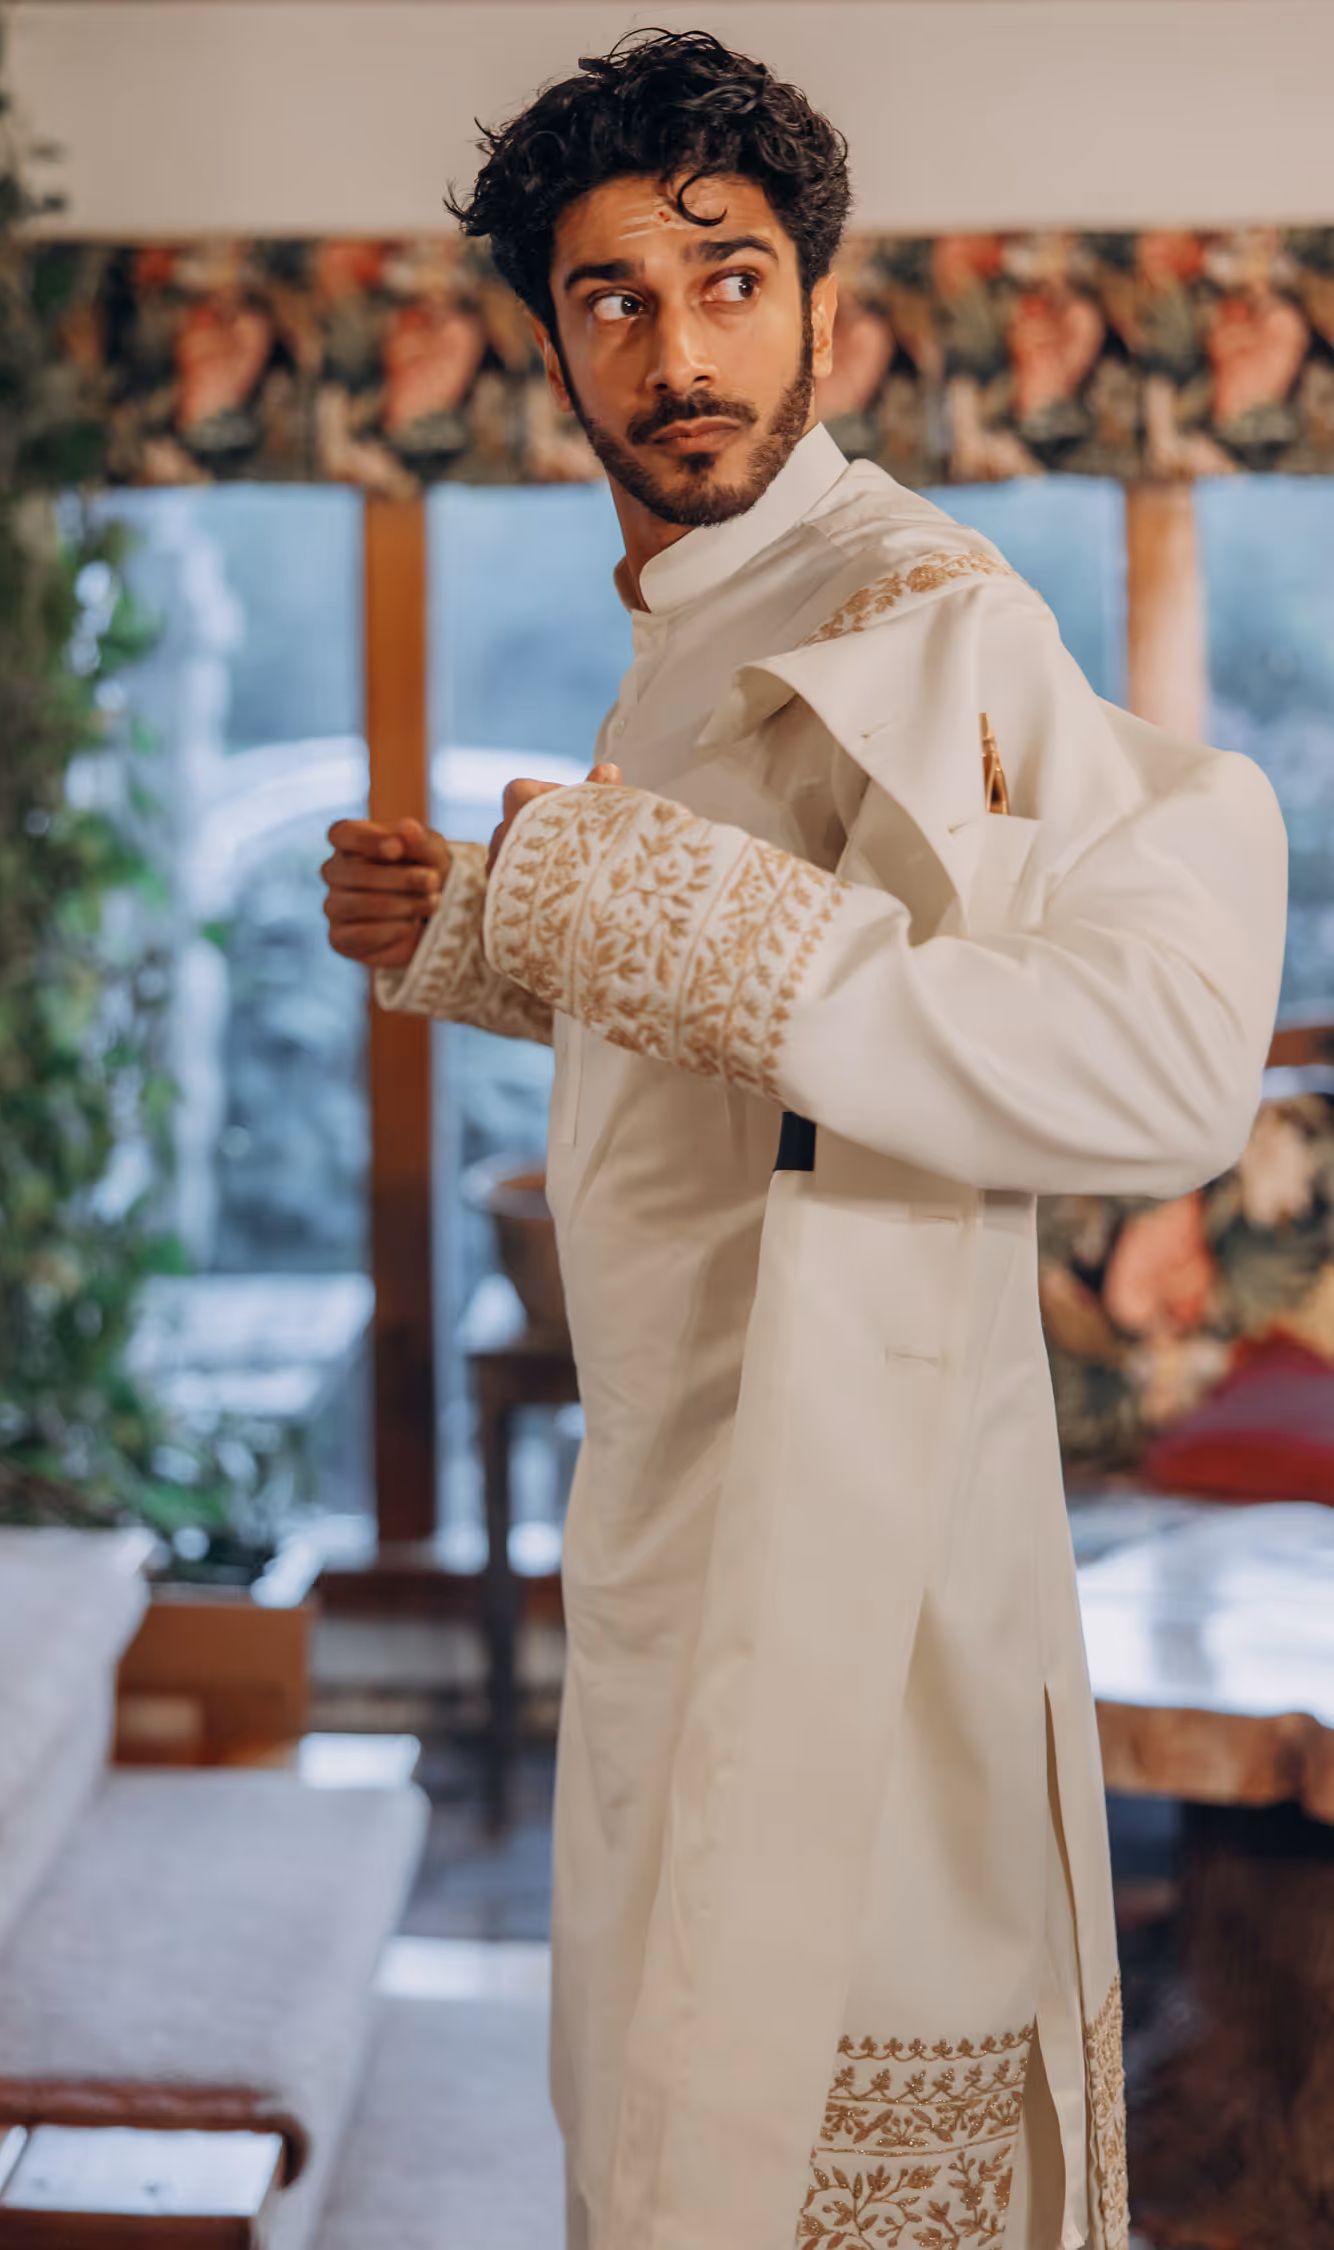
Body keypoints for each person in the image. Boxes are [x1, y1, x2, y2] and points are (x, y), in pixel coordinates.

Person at [321, 30, 1287, 2250]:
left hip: (859, 1543)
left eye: (729, 281)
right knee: (657, 2114)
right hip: (677, 1488)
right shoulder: (708, 618)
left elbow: (1159, 1062)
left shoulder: (921, 610)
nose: (679, 351)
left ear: (824, 315)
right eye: (616, 298)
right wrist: (490, 926)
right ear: (552, 347)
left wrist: (617, 895)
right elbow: (774, 1033)